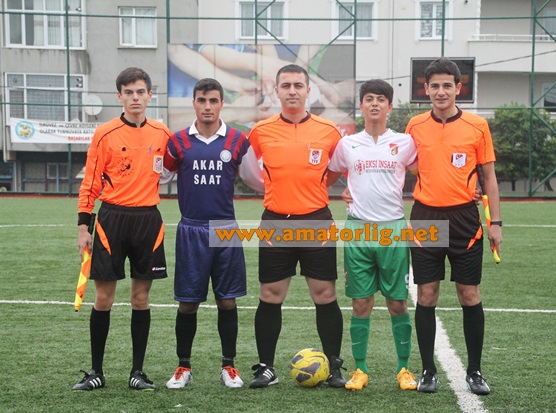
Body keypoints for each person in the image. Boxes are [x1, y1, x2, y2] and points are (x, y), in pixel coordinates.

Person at [405, 57, 502, 395]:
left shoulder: (478, 126)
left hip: (465, 220)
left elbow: (489, 177)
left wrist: (496, 222)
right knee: (427, 294)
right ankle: (428, 371)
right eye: (435, 86)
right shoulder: (414, 125)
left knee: (469, 293)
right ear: (426, 89)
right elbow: (406, 166)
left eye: (447, 85)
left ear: (458, 88)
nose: (441, 91)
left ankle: (474, 371)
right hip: (425, 218)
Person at [246, 64, 347, 389]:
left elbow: (336, 168)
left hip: (317, 221)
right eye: (286, 85)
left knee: (325, 294)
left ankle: (334, 366)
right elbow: (248, 170)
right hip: (275, 222)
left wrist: (315, 187)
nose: (292, 91)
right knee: (270, 294)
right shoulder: (261, 131)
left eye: (298, 85)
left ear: (308, 90)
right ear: (276, 91)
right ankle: (266, 367)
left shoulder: (328, 131)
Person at [161, 78, 263, 389]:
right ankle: (183, 367)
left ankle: (228, 367)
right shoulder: (177, 141)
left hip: (225, 230)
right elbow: (158, 177)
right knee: (187, 303)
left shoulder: (237, 140)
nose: (207, 106)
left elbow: (257, 180)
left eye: (213, 101)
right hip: (191, 229)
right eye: (202, 100)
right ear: (194, 103)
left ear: (221, 104)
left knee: (227, 302)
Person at [73, 67, 171, 391]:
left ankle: (137, 372)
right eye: (128, 92)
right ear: (119, 96)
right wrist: (83, 227)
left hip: (148, 221)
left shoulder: (162, 133)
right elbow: (90, 183)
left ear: (150, 95)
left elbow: (177, 165)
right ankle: (96, 372)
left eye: (140, 92)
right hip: (111, 220)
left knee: (140, 298)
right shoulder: (105, 133)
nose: (135, 98)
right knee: (103, 297)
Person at [326, 79, 419, 391]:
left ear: (389, 106)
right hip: (358, 229)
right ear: (362, 105)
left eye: (381, 99)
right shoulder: (347, 144)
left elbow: (426, 174)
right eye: (369, 99)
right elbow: (329, 176)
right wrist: (340, 193)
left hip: (393, 229)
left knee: (397, 303)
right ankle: (360, 370)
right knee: (361, 303)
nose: (375, 104)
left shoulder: (405, 143)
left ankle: (404, 369)